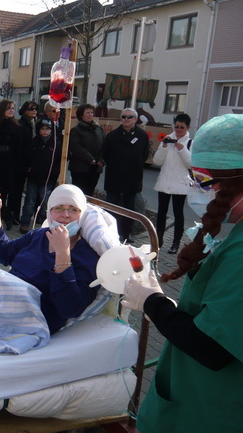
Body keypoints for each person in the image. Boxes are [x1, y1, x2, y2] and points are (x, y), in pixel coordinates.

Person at [121, 114, 243, 433]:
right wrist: (175, 311)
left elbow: (213, 349)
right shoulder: (233, 238)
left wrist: (154, 303)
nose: (197, 188)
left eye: (201, 178)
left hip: (213, 410)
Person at [0, 184, 103, 334]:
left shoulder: (88, 257)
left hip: (31, 316)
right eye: (58, 208)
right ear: (49, 212)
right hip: (3, 297)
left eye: (74, 209)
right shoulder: (39, 235)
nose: (66, 214)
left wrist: (62, 253)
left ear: (82, 216)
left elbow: (70, 308)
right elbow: (4, 253)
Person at [102, 108, 150, 243]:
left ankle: (127, 234)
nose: (126, 119)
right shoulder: (112, 136)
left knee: (130, 209)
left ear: (135, 119)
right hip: (114, 178)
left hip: (132, 179)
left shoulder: (142, 136)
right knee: (111, 208)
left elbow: (144, 155)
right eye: (124, 117)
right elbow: (105, 154)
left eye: (129, 117)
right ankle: (112, 234)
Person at [152, 113, 193, 253]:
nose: (179, 129)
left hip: (180, 184)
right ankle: (158, 239)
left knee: (178, 213)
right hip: (164, 182)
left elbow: (191, 164)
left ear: (188, 127)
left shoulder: (190, 143)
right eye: (177, 126)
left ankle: (176, 243)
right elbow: (157, 161)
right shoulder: (167, 139)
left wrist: (181, 148)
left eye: (182, 127)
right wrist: (164, 146)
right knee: (161, 213)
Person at [0, 99, 29, 230]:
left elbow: (22, 147)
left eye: (13, 108)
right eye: (8, 108)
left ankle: (10, 215)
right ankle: (2, 215)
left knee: (12, 192)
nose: (11, 110)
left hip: (13, 165)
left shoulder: (18, 127)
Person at [19, 118, 63, 233]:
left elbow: (60, 161)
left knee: (45, 203)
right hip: (34, 177)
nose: (45, 131)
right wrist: (28, 170)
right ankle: (25, 223)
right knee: (30, 201)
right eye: (42, 129)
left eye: (47, 129)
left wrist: (54, 173)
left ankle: (44, 224)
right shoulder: (33, 142)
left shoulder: (56, 144)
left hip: (48, 178)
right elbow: (27, 157)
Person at [68, 103, 105, 196]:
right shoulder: (76, 130)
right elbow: (75, 146)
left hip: (95, 168)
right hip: (80, 168)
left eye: (91, 112)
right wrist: (89, 158)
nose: (90, 115)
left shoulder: (98, 129)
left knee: (90, 193)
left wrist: (101, 160)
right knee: (79, 193)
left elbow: (104, 146)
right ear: (81, 115)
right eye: (87, 113)